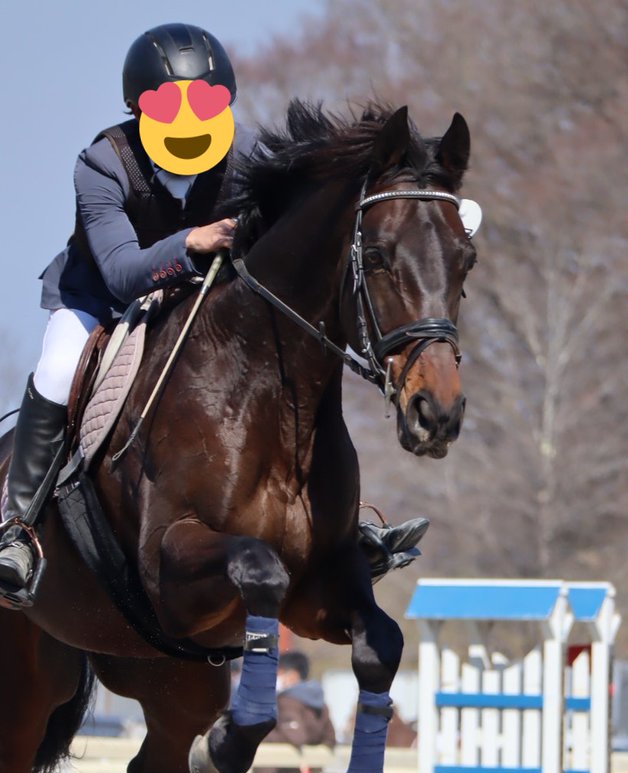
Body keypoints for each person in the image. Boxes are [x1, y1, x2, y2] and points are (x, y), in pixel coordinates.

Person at [0, 22, 427, 606]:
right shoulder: (103, 163)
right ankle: (18, 530)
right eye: (169, 109)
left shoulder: (248, 152)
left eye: (203, 106)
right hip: (101, 301)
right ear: (137, 108)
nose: (187, 124)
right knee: (55, 369)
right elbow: (122, 272)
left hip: (204, 296)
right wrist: (192, 242)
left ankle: (340, 529)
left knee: (290, 370)